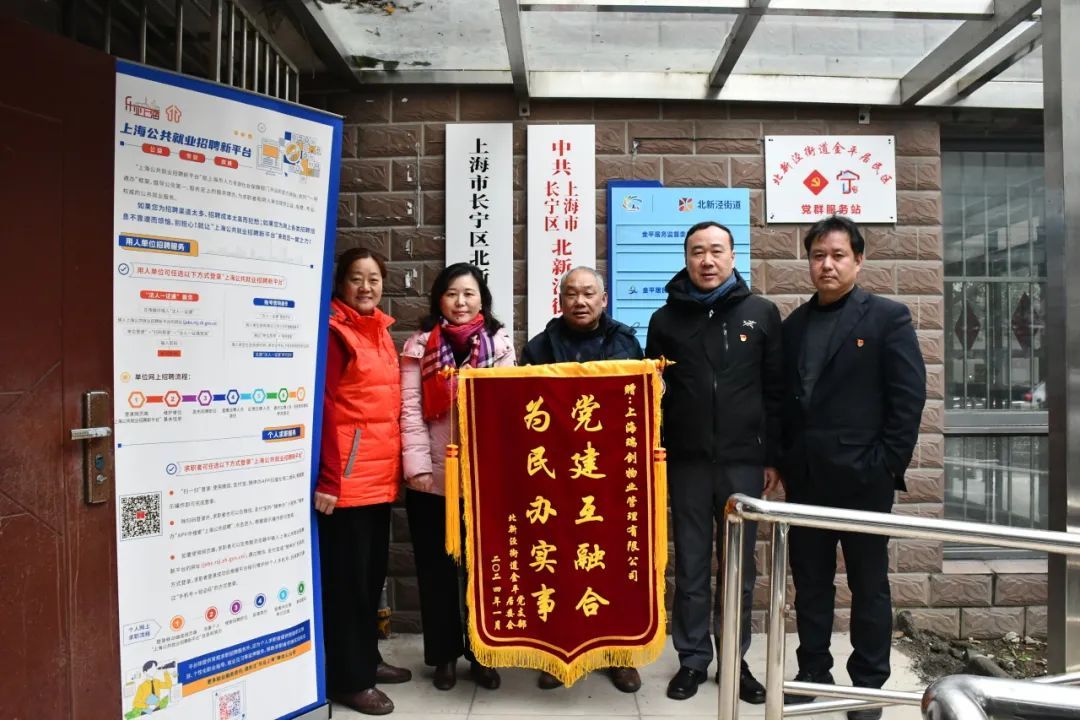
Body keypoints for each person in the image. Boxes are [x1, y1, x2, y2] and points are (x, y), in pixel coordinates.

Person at [779, 215, 926, 720]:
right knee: (810, 583)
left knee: (869, 585)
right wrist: (784, 460)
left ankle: (868, 686)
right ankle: (812, 671)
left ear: (858, 261)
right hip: (807, 479)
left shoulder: (887, 317)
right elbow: (785, 402)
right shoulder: (795, 325)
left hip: (865, 479)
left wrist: (886, 465)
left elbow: (908, 399)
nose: (827, 265)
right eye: (818, 255)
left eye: (838, 255)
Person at [646, 221, 782, 703]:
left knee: (739, 568)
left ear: (732, 256)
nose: (707, 260)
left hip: (743, 463)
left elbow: (776, 391)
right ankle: (692, 659)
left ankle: (734, 660)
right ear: (686, 258)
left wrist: (773, 458)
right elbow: (654, 397)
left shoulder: (761, 313)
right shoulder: (665, 320)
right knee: (691, 565)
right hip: (686, 463)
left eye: (716, 251)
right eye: (697, 251)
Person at [520, 266, 644, 693]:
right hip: (558, 479)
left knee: (615, 566)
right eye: (571, 293)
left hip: (611, 477)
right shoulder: (538, 347)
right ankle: (560, 654)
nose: (580, 301)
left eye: (589, 293)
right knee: (560, 566)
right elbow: (524, 412)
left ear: (603, 299)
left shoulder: (626, 343)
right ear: (561, 300)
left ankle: (619, 655)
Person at [400, 263, 516, 691]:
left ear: (482, 298)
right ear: (439, 300)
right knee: (436, 571)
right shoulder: (418, 345)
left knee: (483, 571)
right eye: (452, 294)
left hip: (484, 481)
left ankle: (483, 654)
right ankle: (444, 656)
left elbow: (508, 412)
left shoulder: (499, 344)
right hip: (432, 480)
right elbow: (410, 410)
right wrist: (417, 467)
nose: (460, 302)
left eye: (469, 293)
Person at [314, 247, 412, 716]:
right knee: (348, 585)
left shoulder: (379, 332)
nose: (367, 287)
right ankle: (348, 680)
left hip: (378, 479)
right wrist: (330, 478)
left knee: (370, 578)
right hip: (347, 484)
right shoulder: (336, 333)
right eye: (357, 278)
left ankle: (367, 660)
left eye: (374, 278)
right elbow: (327, 408)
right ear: (341, 283)